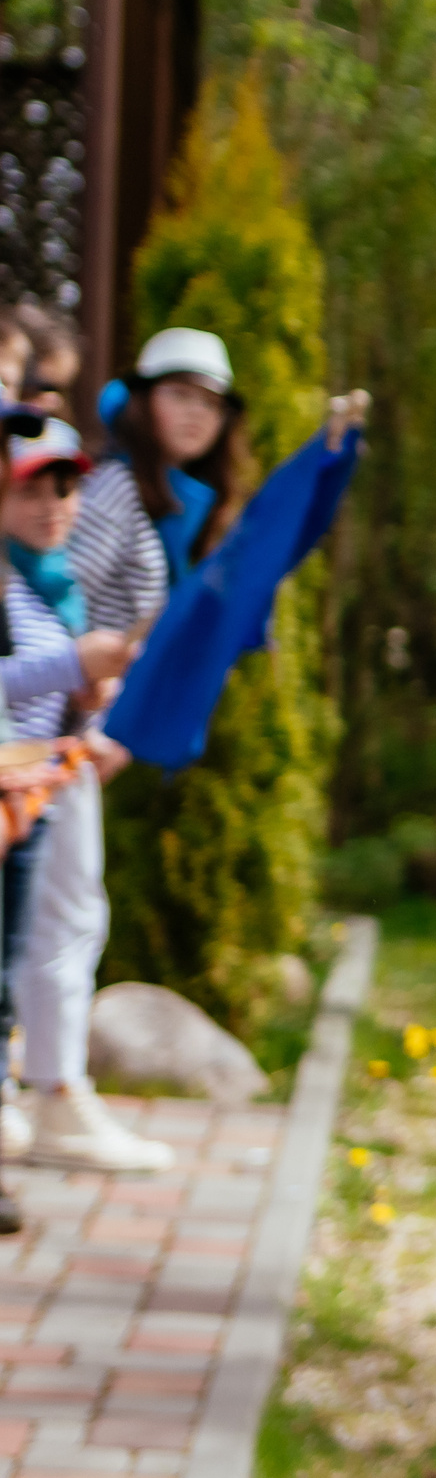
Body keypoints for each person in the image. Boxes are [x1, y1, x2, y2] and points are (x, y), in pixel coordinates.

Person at [0, 419, 161, 1172]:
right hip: (13, 794)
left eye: (64, 486)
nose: (50, 503)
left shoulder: (51, 581)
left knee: (52, 936)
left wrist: (88, 709)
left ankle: (48, 1096)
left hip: (40, 794)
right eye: (30, 485)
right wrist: (71, 664)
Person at [66, 325, 253, 639]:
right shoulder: (118, 486)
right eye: (181, 394)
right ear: (142, 401)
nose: (196, 412)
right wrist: (82, 674)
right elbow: (67, 598)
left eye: (211, 403)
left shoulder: (195, 504)